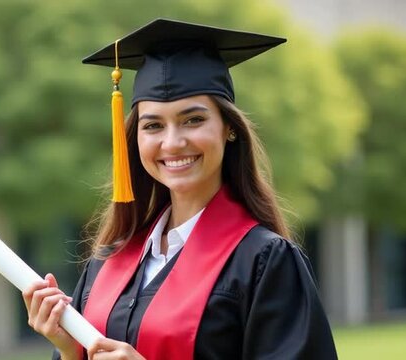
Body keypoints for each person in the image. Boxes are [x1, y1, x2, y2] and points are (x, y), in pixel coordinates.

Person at [22, 18, 338, 360]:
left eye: (193, 120)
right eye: (153, 125)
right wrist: (69, 351)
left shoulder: (264, 261)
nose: (172, 143)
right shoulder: (110, 260)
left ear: (228, 128)